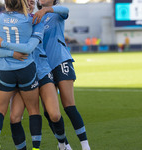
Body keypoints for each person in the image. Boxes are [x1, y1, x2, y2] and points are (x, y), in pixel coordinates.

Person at [0, 0, 72, 149]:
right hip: (25, 73)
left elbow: (65, 10)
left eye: (32, 2)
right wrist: (12, 53)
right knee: (15, 117)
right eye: (27, 1)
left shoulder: (36, 19)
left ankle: (63, 144)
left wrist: (47, 10)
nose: (30, 4)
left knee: (54, 115)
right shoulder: (20, 21)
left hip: (41, 71)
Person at [32, 0, 91, 149]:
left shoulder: (57, 12)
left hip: (60, 61)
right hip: (44, 67)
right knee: (49, 111)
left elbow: (65, 10)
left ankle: (85, 146)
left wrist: (46, 10)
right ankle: (64, 145)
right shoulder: (33, 17)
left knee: (69, 105)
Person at [0, 0, 44, 150]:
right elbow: (28, 48)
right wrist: (15, 52)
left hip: (5, 71)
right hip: (26, 70)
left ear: (6, 4)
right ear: (23, 4)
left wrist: (8, 51)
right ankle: (36, 148)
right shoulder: (31, 20)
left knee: (0, 110)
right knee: (33, 110)